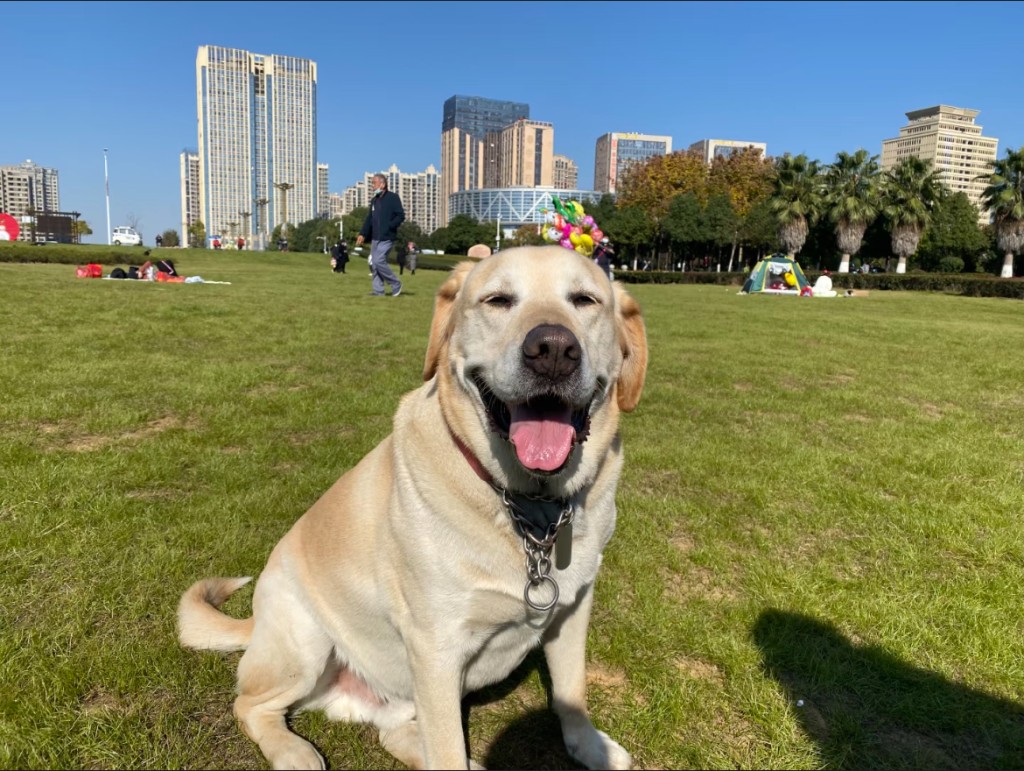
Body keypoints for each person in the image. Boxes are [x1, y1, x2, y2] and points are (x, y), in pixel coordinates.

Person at [356, 173, 405, 297]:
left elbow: (400, 216)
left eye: (374, 183)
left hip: (387, 237)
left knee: (378, 261)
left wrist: (389, 226)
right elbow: (369, 219)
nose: (372, 186)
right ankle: (378, 291)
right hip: (375, 238)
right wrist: (362, 234)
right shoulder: (374, 200)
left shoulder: (393, 198)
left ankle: (396, 284)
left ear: (382, 184)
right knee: (374, 264)